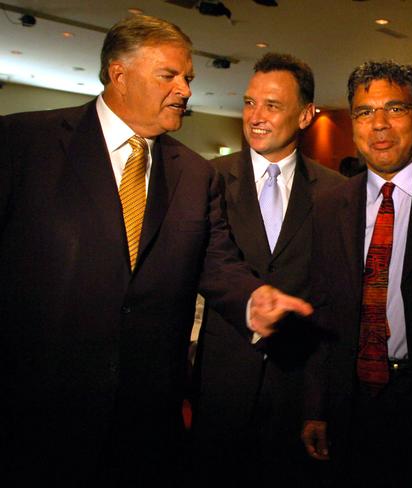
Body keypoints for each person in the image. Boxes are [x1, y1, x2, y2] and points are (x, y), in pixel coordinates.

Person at [0, 15, 310, 487]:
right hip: (37, 410)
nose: (185, 90)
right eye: (170, 75)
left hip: (147, 422)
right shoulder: (22, 144)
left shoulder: (194, 173)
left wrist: (252, 300)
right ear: (119, 74)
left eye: (188, 78)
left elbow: (217, 261)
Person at [301, 60, 412, 486]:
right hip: (349, 406)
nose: (379, 124)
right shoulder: (330, 206)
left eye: (394, 109)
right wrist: (315, 405)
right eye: (365, 112)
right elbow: (319, 311)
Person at [189, 52, 343, 485]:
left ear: (306, 115)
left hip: (298, 389)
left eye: (272, 106)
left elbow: (333, 301)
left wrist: (318, 404)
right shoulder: (207, 179)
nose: (256, 116)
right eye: (249, 102)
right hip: (220, 389)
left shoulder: (337, 194)